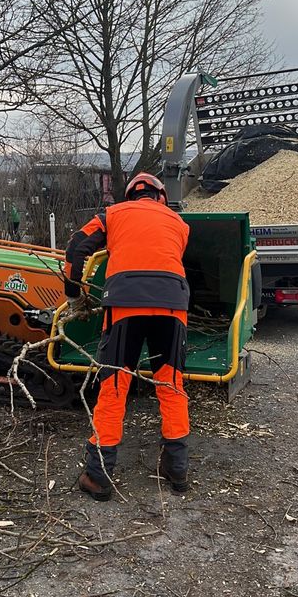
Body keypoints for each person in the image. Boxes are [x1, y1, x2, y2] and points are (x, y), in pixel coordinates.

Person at [64, 172, 190, 501]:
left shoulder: (113, 214)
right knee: (171, 384)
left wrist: (73, 293)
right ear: (161, 197)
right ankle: (177, 469)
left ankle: (99, 476)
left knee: (115, 387)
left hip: (124, 305)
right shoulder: (179, 223)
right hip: (173, 306)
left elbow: (76, 245)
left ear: (130, 195)